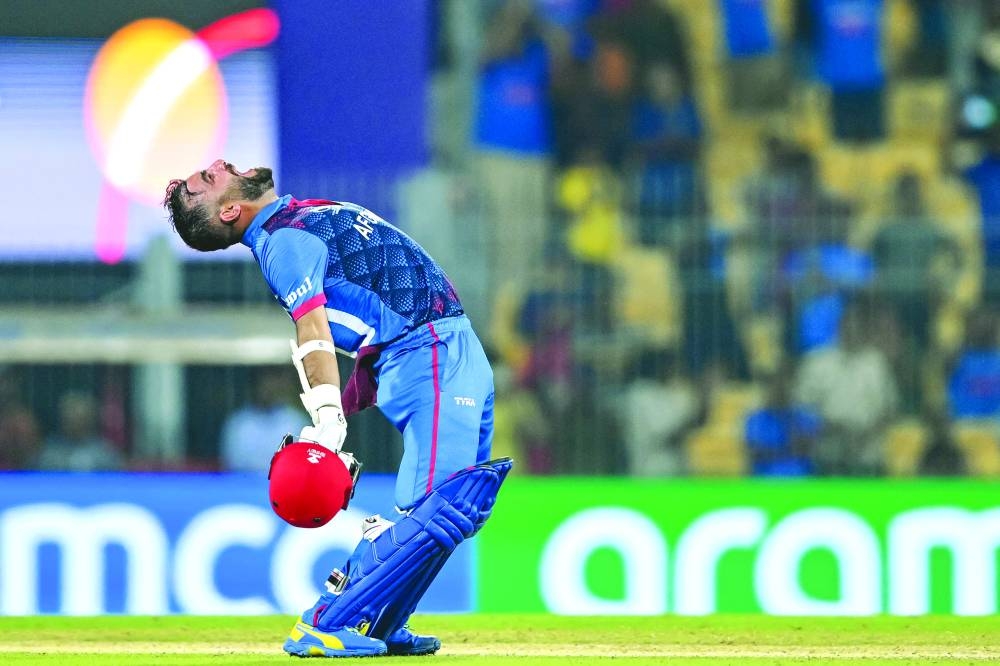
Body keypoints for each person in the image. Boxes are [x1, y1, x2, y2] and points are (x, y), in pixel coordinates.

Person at [164, 160, 510, 658]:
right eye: (210, 179)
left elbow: (364, 302)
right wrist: (328, 420)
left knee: (463, 509)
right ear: (230, 211)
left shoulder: (292, 220)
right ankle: (325, 622)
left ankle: (384, 622)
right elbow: (312, 330)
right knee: (445, 505)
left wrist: (360, 376)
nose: (219, 164)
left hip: (449, 346)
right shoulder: (281, 244)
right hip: (427, 354)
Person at [219, 366, 307, 473]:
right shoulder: (238, 424)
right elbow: (231, 468)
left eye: (273, 380)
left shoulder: (296, 422)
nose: (268, 386)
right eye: (264, 380)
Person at [37, 390, 124, 472]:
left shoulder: (105, 453)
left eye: (80, 418)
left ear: (90, 419)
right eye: (70, 417)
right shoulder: (48, 454)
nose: (75, 422)